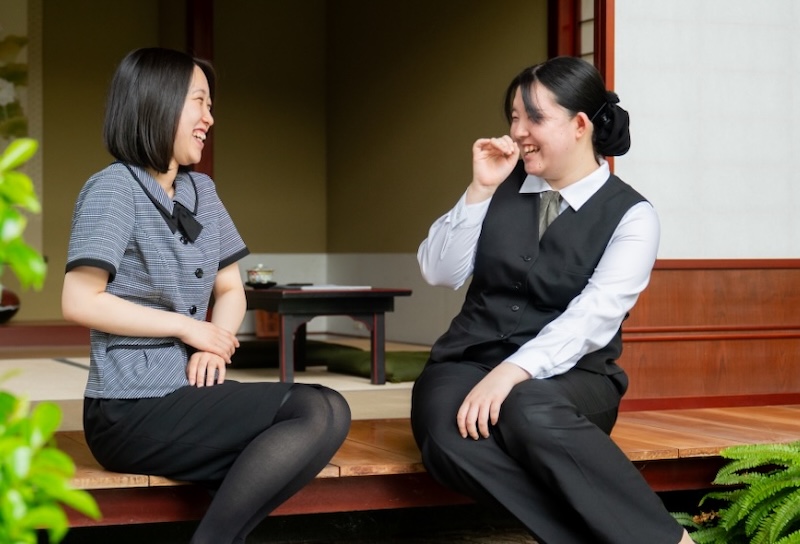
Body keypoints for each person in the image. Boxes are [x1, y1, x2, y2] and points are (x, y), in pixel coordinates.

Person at [61, 47, 350, 544]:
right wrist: (188, 328)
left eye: (210, 106)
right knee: (315, 410)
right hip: (129, 405)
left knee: (321, 411)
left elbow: (231, 287)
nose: (209, 119)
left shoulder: (202, 191)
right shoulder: (113, 189)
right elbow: (80, 300)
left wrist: (213, 344)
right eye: (199, 102)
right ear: (159, 103)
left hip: (189, 391)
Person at [411, 56, 694, 544]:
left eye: (534, 118)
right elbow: (439, 272)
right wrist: (479, 188)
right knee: (446, 438)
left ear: (580, 125)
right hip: (467, 361)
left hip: (575, 379)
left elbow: (593, 317)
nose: (518, 132)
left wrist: (512, 372)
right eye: (514, 117)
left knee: (527, 406)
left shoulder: (632, 215)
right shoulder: (500, 185)